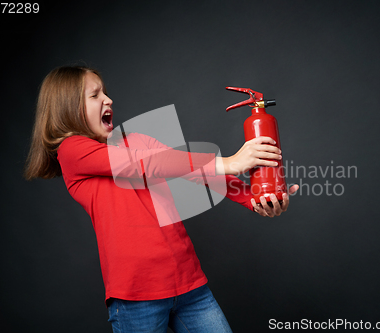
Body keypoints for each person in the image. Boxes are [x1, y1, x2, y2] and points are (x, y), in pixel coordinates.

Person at [24, 65, 299, 332]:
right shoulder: (72, 151)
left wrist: (254, 199)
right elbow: (141, 165)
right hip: (137, 297)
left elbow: (187, 168)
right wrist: (228, 162)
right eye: (95, 95)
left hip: (190, 284)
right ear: (67, 108)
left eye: (105, 92)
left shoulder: (134, 140)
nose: (108, 99)